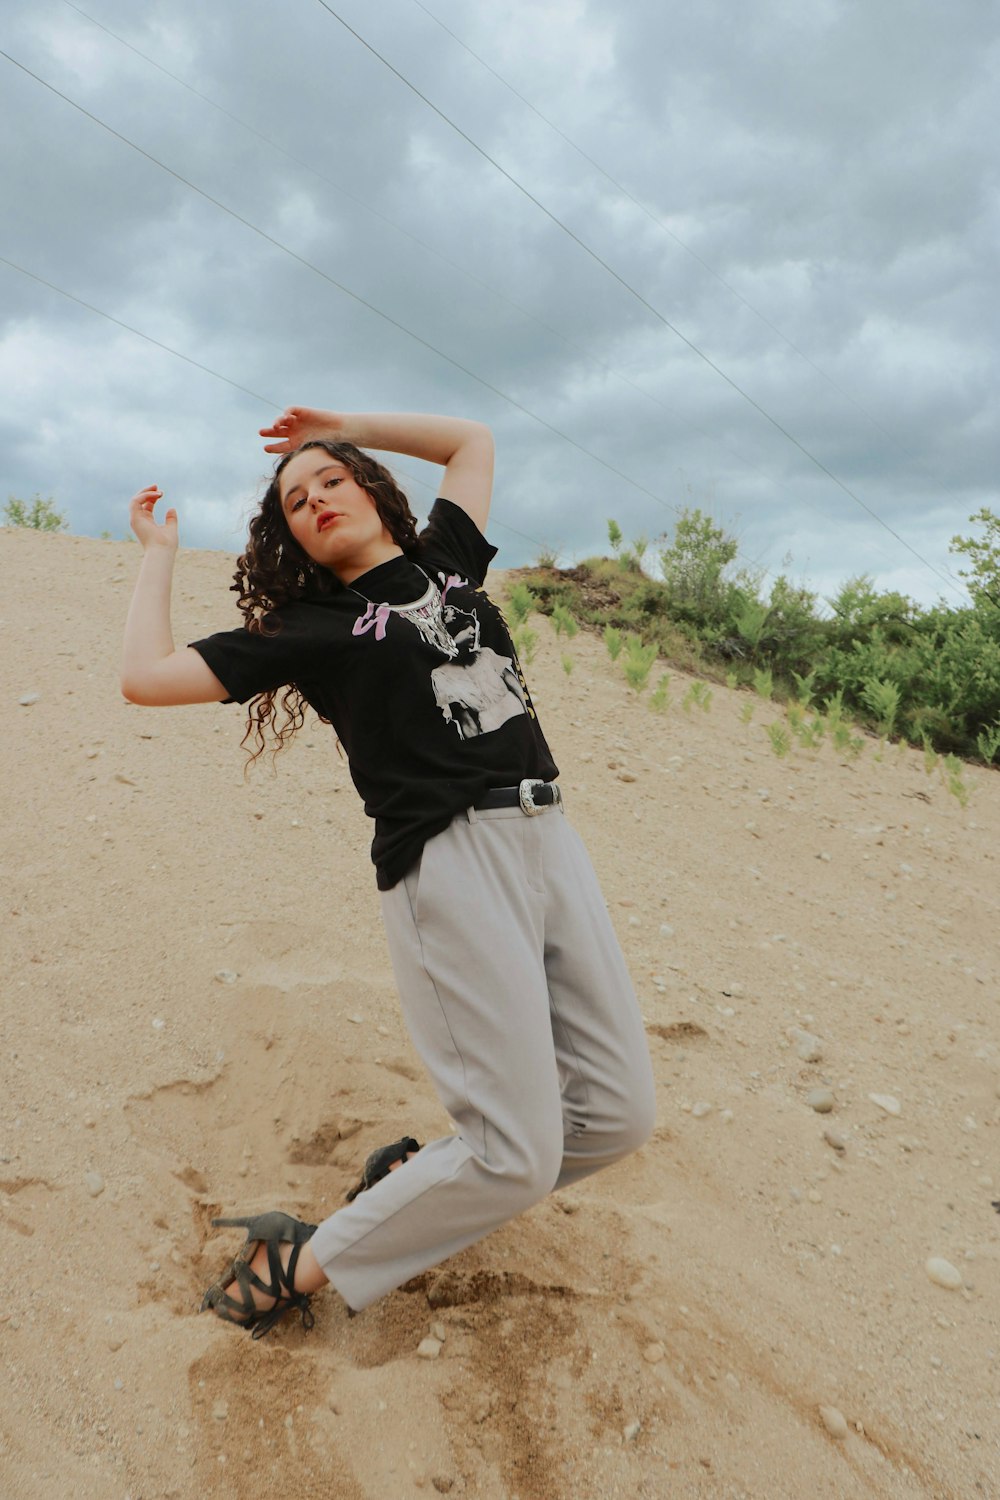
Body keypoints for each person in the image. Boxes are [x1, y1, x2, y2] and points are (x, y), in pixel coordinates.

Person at [122, 407, 656, 1338]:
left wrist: (337, 425)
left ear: (370, 487)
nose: (316, 498)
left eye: (331, 478)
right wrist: (157, 551)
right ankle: (295, 1261)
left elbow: (472, 442)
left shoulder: (448, 558)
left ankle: (413, 1189)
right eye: (295, 499)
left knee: (615, 1115)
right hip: (446, 862)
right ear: (288, 535)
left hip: (547, 835)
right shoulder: (310, 627)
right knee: (514, 1156)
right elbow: (145, 675)